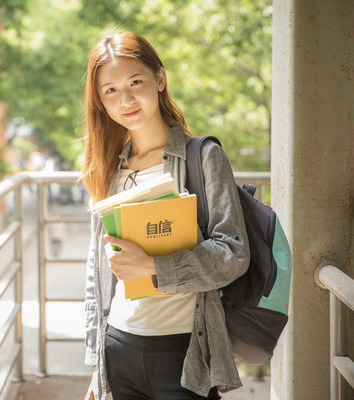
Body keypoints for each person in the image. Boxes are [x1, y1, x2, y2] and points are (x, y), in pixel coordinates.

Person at [80, 31, 250, 400]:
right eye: (110, 90)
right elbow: (97, 273)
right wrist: (97, 367)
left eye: (135, 82)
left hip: (184, 353)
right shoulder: (108, 169)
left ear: (160, 79)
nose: (125, 99)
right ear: (100, 102)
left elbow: (233, 253)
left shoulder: (202, 157)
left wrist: (154, 267)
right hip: (119, 349)